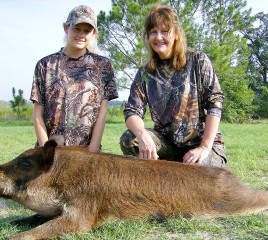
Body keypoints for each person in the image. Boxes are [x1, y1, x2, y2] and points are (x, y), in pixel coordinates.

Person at [120, 5, 227, 167]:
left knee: (198, 171)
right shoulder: (144, 73)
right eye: (153, 32)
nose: (158, 37)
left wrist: (205, 147)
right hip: (168, 145)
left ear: (176, 34)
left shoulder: (198, 60)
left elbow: (215, 102)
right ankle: (159, 184)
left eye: (164, 31)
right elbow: (132, 111)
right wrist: (142, 135)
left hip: (201, 143)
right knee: (129, 139)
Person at [30, 5, 118, 152]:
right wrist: (46, 153)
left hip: (85, 151)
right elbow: (38, 113)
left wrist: (93, 149)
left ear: (94, 33)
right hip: (52, 151)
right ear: (66, 28)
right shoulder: (45, 65)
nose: (81, 34)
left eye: (87, 30)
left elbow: (103, 111)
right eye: (77, 28)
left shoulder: (103, 66)